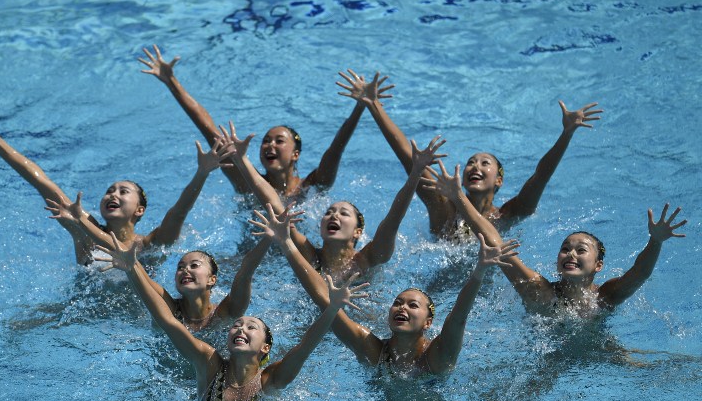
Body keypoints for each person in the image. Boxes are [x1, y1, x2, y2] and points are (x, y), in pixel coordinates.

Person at [97, 231, 368, 401]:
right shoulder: (208, 361)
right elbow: (168, 322)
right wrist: (133, 270)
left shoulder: (272, 378)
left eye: (251, 327)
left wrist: (332, 309)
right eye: (237, 326)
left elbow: (307, 345)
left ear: (265, 348)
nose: (240, 328)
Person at [251, 204, 519, 376]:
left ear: (428, 322)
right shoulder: (373, 350)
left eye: (413, 305)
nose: (402, 307)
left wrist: (479, 271)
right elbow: (324, 303)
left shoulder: (437, 356)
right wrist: (286, 244)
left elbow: (459, 316)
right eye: (398, 303)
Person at [0, 104, 233, 265]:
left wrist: (202, 173)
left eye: (124, 192)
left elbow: (179, 212)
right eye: (109, 190)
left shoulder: (151, 244)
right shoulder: (84, 230)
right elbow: (43, 183)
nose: (113, 194)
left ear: (140, 210)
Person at [342, 77, 602, 238]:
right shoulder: (444, 207)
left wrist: (566, 134)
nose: (475, 166)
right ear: (462, 180)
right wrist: (374, 106)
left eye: (484, 163)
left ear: (499, 180)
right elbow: (407, 156)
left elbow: (541, 176)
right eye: (470, 163)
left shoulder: (509, 214)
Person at [423, 162, 688, 317]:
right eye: (565, 249)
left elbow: (638, 274)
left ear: (598, 266)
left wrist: (656, 241)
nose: (570, 254)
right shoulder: (540, 291)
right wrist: (458, 197)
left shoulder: (605, 297)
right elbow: (496, 242)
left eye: (580, 250)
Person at [139, 45, 392, 197]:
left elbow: (336, 150)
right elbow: (209, 130)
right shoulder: (247, 184)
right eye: (266, 141)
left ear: (296, 154)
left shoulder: (313, 187)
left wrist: (361, 107)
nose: (269, 145)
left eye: (279, 141)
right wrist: (172, 82)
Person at [218, 121, 445, 280]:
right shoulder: (309, 256)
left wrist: (415, 174)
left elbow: (395, 216)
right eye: (329, 212)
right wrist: (241, 160)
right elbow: (274, 204)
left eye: (343, 213)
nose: (333, 215)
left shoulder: (370, 257)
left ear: (358, 232)